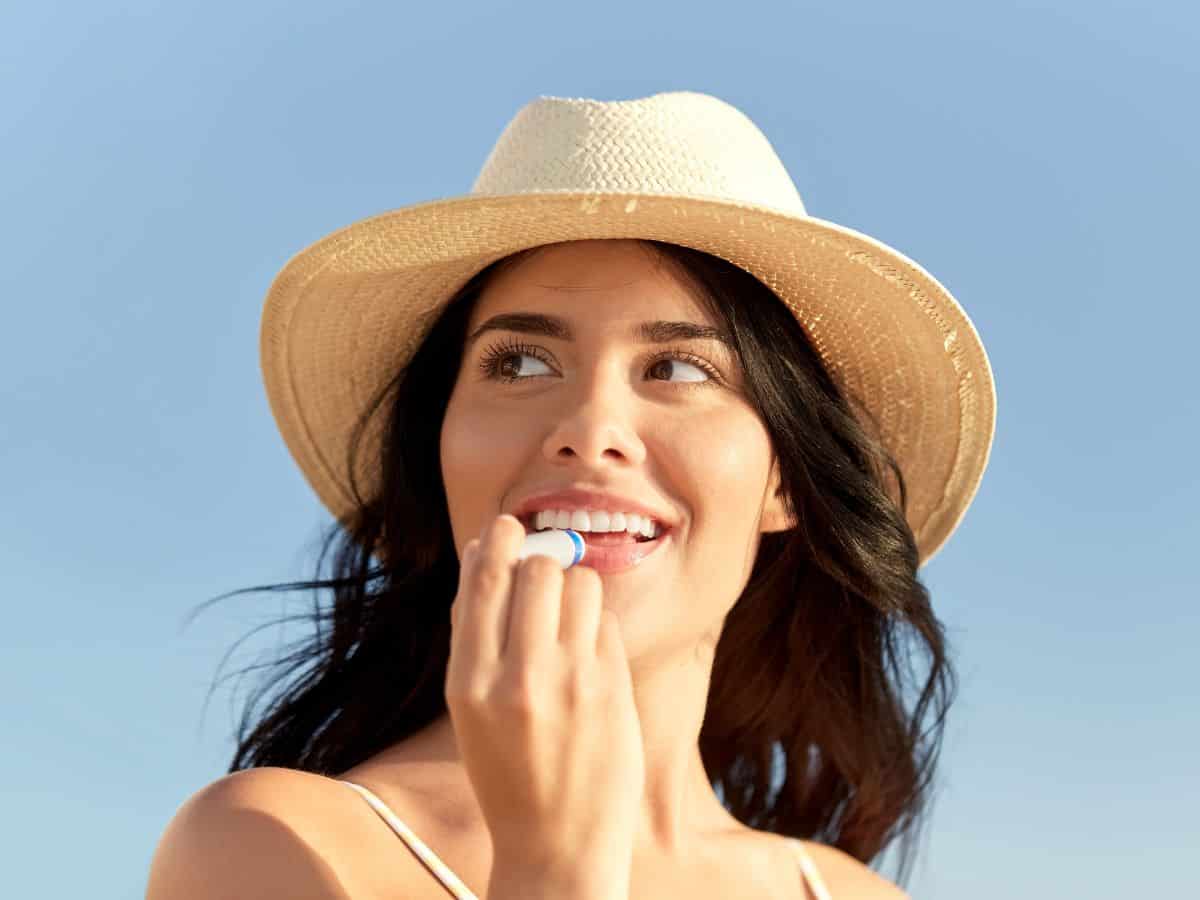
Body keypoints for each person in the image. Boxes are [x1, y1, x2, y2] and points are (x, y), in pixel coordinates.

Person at [146, 91, 996, 900]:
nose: (590, 429)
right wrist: (552, 866)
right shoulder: (275, 849)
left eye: (677, 368)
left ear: (785, 482)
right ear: (438, 450)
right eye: (519, 363)